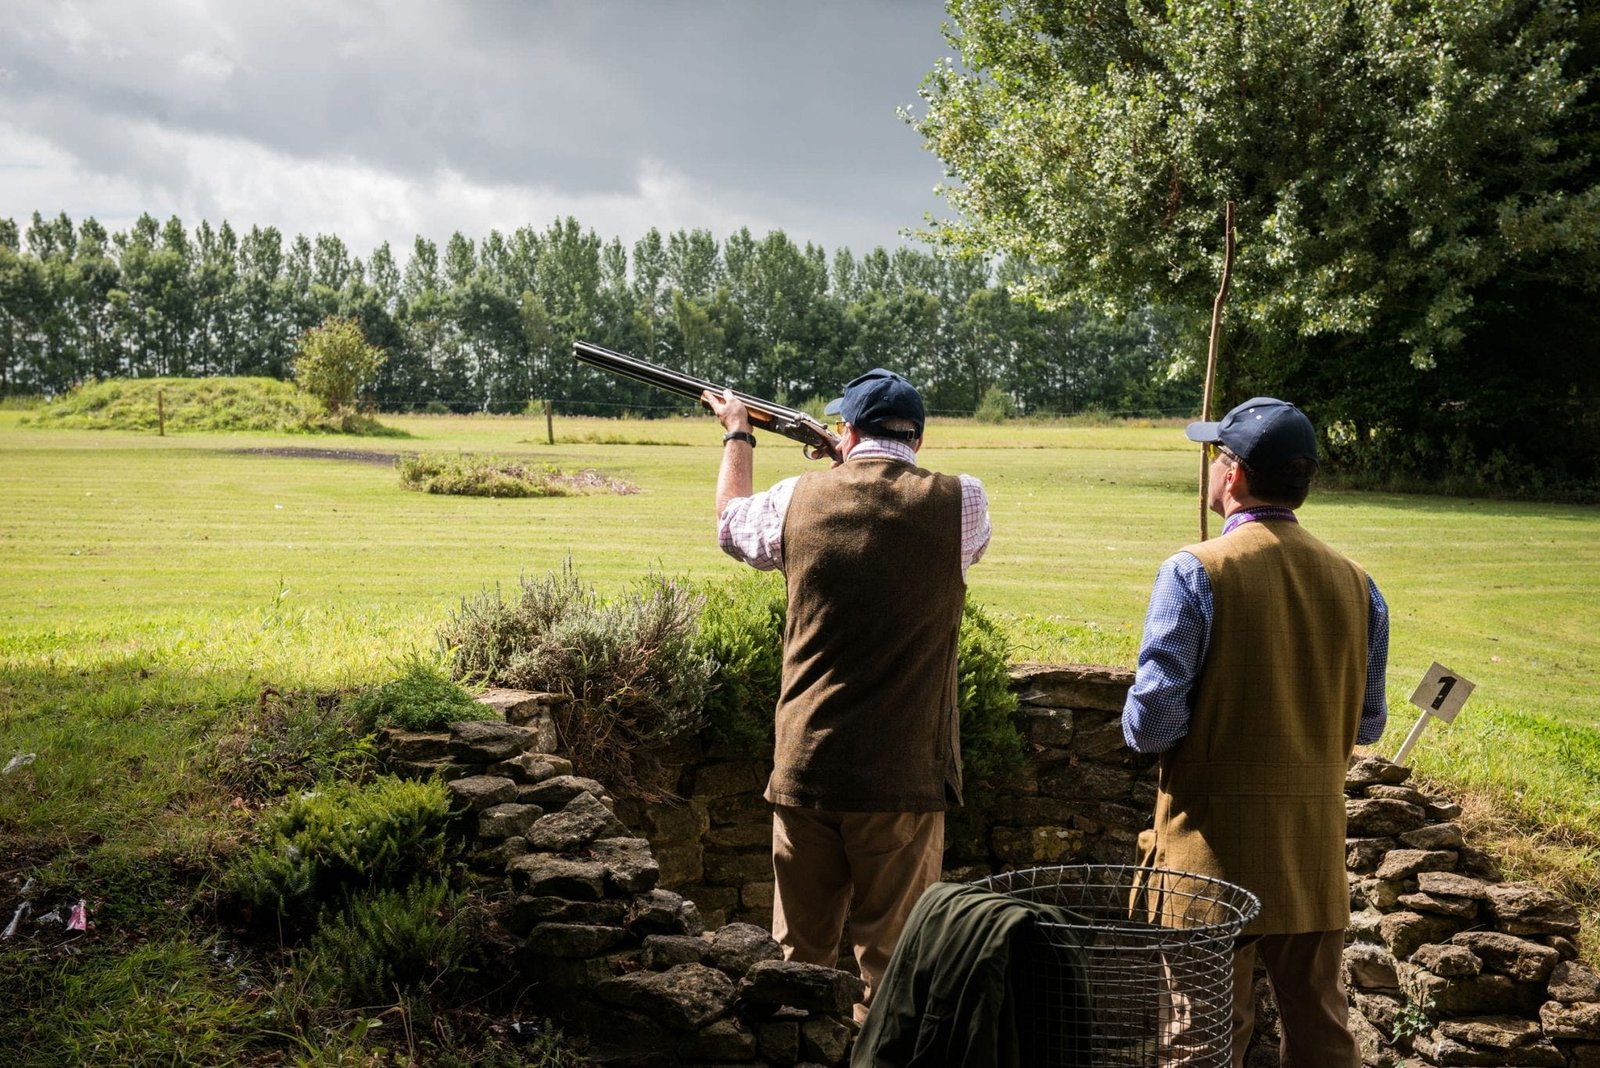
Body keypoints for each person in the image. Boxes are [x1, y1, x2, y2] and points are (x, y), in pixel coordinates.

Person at [702, 368, 991, 1024]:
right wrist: (851, 461)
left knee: (796, 965)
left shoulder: (796, 499)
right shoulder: (963, 502)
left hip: (806, 768)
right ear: (918, 435)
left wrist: (738, 436)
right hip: (904, 776)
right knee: (891, 971)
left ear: (847, 429)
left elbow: (728, 525)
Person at [1122, 397, 1390, 1068]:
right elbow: (1369, 723)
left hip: (1208, 857)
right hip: (1311, 852)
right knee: (1323, 1037)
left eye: (1216, 454)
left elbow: (1152, 725)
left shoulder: (1193, 571)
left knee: (1199, 1040)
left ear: (1234, 474)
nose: (1210, 465)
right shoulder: (1362, 586)